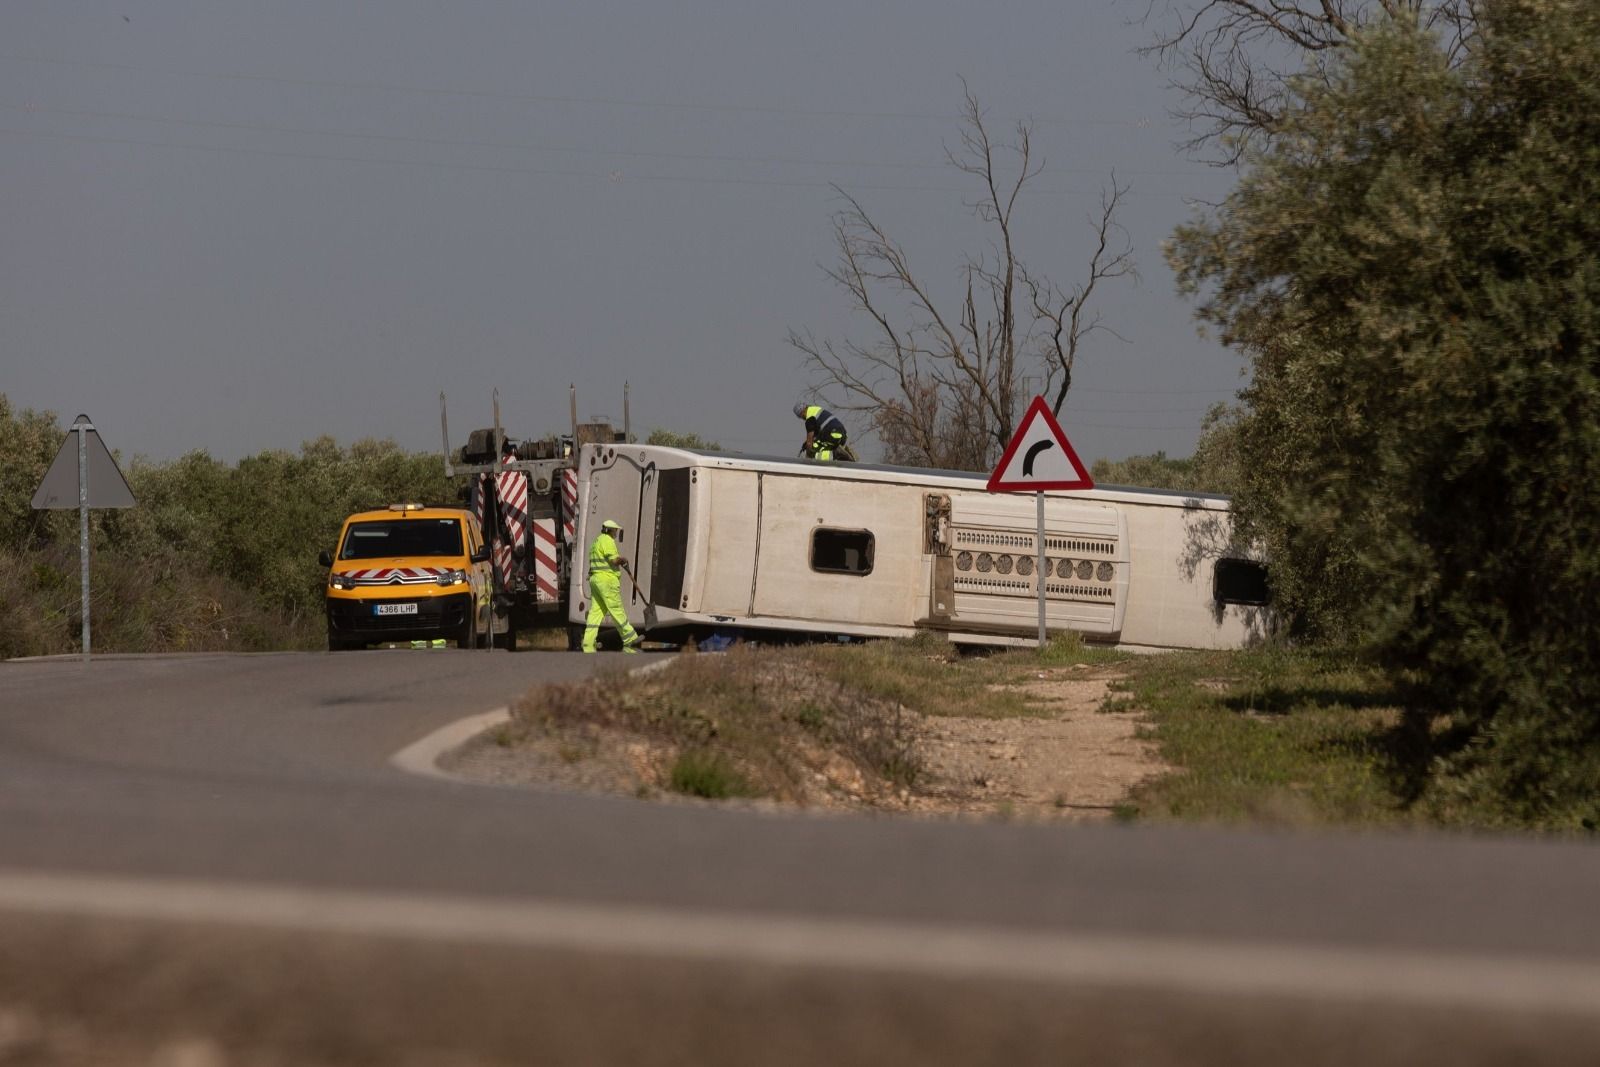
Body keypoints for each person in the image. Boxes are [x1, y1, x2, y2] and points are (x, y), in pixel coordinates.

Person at [581, 519, 640, 653]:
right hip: (607, 580)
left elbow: (595, 563)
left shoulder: (596, 542)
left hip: (595, 580)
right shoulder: (607, 541)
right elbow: (613, 560)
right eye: (615, 530)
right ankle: (630, 637)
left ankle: (588, 642)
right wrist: (623, 560)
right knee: (616, 608)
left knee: (595, 613)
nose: (616, 533)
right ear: (610, 530)